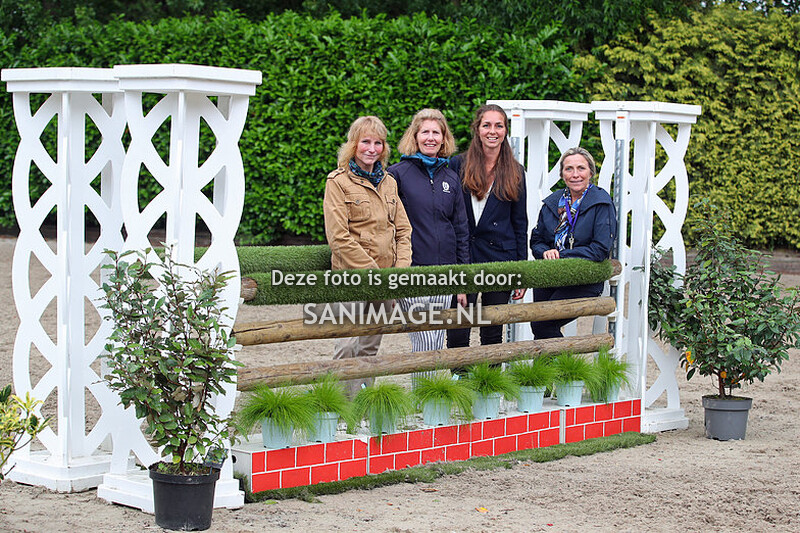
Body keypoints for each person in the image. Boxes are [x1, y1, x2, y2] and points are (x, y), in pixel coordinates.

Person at [322, 116, 412, 397]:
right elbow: (339, 238)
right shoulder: (337, 182)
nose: (371, 148)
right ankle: (338, 409)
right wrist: (375, 275)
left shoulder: (389, 183)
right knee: (347, 345)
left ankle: (361, 405)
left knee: (370, 347)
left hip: (387, 280)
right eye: (365, 142)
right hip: (352, 279)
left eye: (378, 142)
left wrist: (398, 272)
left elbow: (403, 231)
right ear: (353, 145)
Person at [387, 109, 469, 363]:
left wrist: (463, 281)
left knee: (433, 338)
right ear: (415, 136)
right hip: (412, 270)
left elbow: (461, 230)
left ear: (444, 138)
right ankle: (429, 398)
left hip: (444, 273)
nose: (431, 138)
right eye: (425, 132)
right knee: (424, 339)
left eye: (437, 132)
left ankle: (428, 400)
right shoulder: (396, 174)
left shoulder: (452, 178)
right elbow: (388, 225)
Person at [446, 104, 528, 350]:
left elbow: (520, 223)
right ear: (477, 129)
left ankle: (489, 386)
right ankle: (458, 381)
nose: (492, 131)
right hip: (464, 257)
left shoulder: (516, 172)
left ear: (505, 131)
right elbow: (449, 216)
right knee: (459, 325)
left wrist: (521, 271)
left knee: (493, 329)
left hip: (500, 257)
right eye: (487, 125)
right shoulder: (457, 165)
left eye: (498, 125)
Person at [528, 146, 616, 339]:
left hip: (583, 280)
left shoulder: (601, 203)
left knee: (543, 324)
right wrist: (545, 252)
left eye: (581, 168)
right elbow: (536, 239)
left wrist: (561, 254)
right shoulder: (552, 202)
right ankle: (551, 369)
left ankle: (562, 370)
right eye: (569, 169)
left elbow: (600, 249)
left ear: (591, 172)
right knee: (540, 326)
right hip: (549, 276)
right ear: (562, 174)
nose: (575, 174)